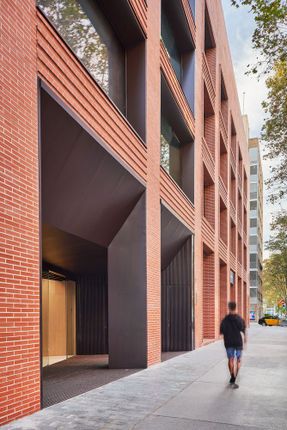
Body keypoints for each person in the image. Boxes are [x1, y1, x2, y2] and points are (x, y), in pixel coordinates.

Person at [220, 301, 246, 388]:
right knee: (238, 359)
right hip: (238, 342)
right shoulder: (239, 318)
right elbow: (243, 329)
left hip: (229, 342)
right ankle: (236, 377)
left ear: (229, 308)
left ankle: (232, 376)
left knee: (230, 359)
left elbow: (222, 331)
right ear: (235, 308)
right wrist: (245, 338)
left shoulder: (225, 319)